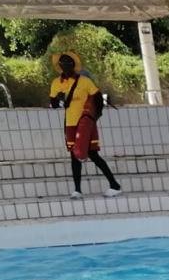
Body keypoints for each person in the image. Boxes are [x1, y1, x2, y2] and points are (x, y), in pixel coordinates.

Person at [48, 52, 121, 200]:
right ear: (59, 66)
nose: (65, 65)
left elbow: (98, 98)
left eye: (68, 62)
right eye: (62, 62)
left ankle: (114, 185)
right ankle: (77, 190)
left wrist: (94, 117)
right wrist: (58, 98)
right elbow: (54, 104)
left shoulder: (85, 81)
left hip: (85, 122)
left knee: (93, 154)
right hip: (70, 123)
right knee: (74, 155)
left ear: (74, 64)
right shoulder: (56, 83)